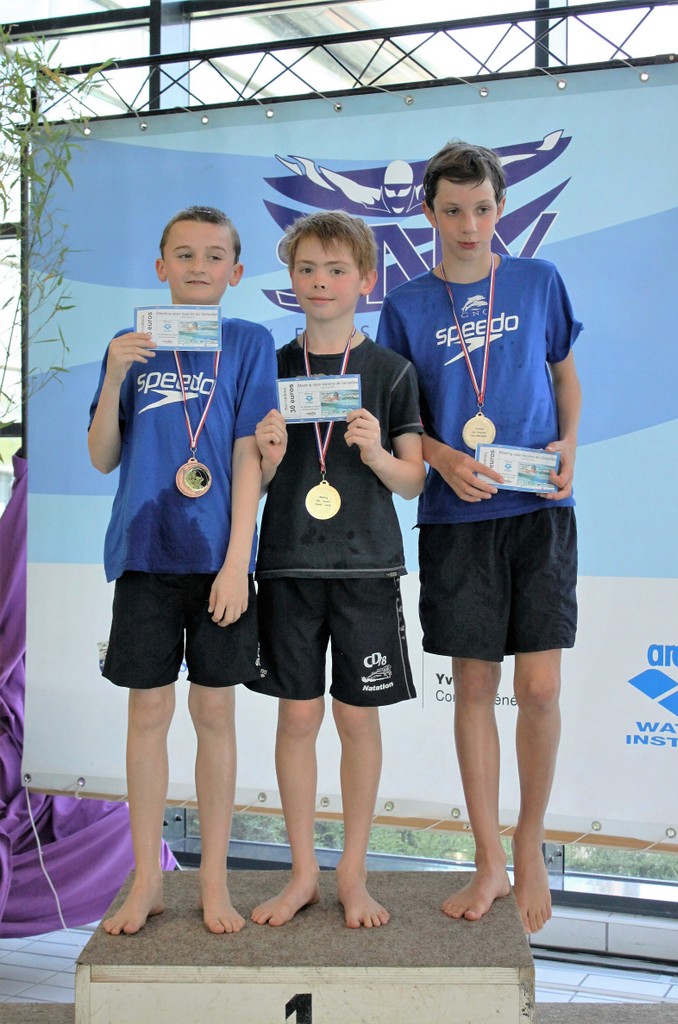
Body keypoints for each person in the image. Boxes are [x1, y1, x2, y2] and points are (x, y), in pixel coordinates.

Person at [376, 141, 582, 934]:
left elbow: (563, 374)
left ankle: (529, 841)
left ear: (502, 207)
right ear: (428, 213)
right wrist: (440, 457)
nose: (469, 224)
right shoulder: (406, 305)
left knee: (540, 688)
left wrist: (569, 445)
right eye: (453, 210)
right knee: (472, 688)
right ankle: (488, 858)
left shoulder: (537, 281)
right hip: (456, 517)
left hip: (536, 507)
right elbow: (400, 419)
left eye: (483, 208)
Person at [88, 205, 277, 935]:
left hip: (217, 562)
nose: (199, 267)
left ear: (235, 271)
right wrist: (114, 375)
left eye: (214, 255)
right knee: (147, 713)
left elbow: (248, 456)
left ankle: (214, 884)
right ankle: (147, 881)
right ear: (161, 266)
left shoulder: (249, 342)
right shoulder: (129, 344)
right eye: (185, 254)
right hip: (144, 552)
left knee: (215, 714)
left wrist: (236, 563)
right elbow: (103, 456)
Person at [248, 210, 425, 929]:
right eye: (307, 269)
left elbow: (413, 480)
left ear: (365, 280)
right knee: (297, 716)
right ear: (290, 279)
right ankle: (301, 874)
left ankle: (352, 873)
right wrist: (265, 460)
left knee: (356, 718)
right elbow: (251, 484)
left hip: (365, 568)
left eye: (336, 269)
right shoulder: (267, 368)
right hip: (287, 564)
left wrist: (377, 453)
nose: (320, 282)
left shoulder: (390, 371)